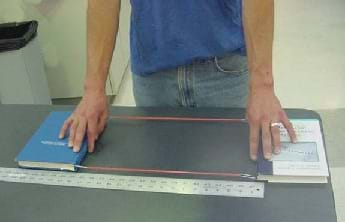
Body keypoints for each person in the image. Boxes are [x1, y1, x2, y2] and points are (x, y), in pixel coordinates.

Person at [59, 0, 297, 161]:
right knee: (163, 187)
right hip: (154, 73)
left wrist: (263, 85)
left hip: (224, 70)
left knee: (234, 190)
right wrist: (93, 88)